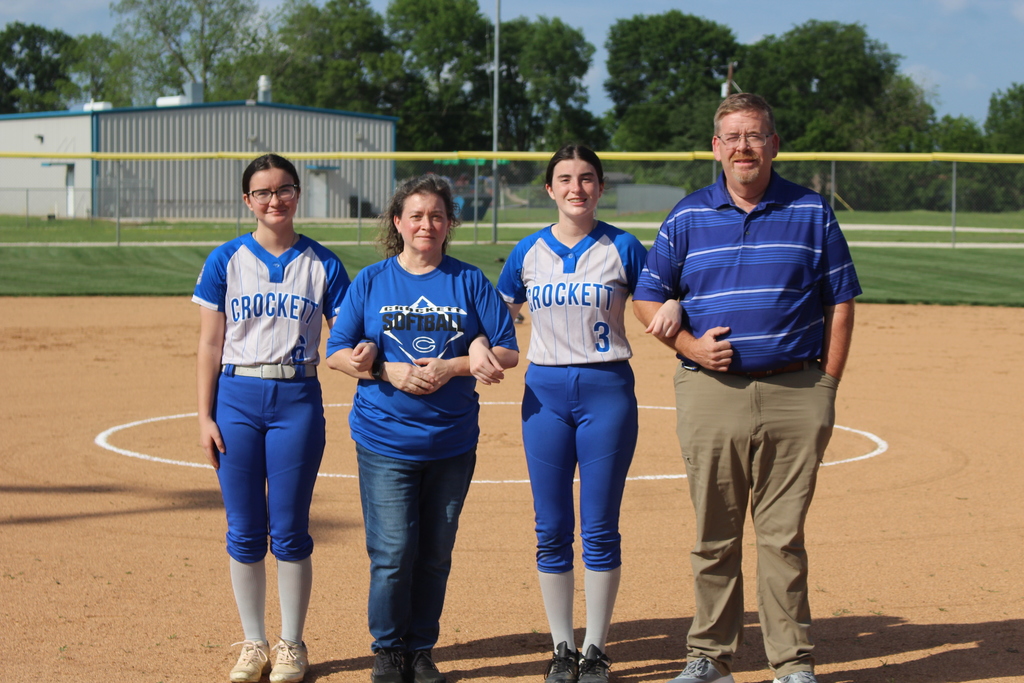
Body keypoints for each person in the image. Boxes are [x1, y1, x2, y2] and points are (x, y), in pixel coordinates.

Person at [632, 93, 861, 683]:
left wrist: (827, 384)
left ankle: (792, 663)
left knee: (783, 538)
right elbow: (647, 298)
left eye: (755, 135)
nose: (744, 148)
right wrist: (690, 347)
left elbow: (839, 300)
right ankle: (710, 657)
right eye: (732, 137)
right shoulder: (688, 215)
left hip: (796, 390)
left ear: (774, 144)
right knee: (714, 534)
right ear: (716, 147)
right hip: (712, 391)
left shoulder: (811, 211)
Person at [325, 175, 519, 683]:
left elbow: (507, 351)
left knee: (434, 554)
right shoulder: (372, 280)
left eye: (436, 216)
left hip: (451, 441)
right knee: (392, 553)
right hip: (385, 438)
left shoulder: (469, 281)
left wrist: (457, 365)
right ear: (398, 222)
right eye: (415, 216)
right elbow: (336, 352)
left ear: (449, 223)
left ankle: (420, 650)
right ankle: (388, 649)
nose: (425, 225)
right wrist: (382, 368)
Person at [496, 144, 670, 683]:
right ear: (549, 189)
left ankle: (595, 648)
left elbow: (662, 295)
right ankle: (561, 648)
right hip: (545, 394)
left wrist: (676, 303)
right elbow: (499, 314)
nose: (577, 188)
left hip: (606, 390)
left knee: (599, 526)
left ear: (600, 187)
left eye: (588, 178)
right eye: (566, 179)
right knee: (550, 525)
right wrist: (475, 346)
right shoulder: (527, 251)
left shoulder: (622, 246)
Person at [194, 154, 350, 683]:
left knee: (289, 528)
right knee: (243, 530)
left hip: (297, 397)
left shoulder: (323, 263)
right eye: (262, 192)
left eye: (283, 189)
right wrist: (204, 416)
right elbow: (210, 343)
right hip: (236, 397)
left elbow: (346, 335)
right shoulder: (226, 260)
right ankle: (253, 642)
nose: (274, 200)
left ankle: (291, 644)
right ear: (248, 201)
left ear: (297, 194)